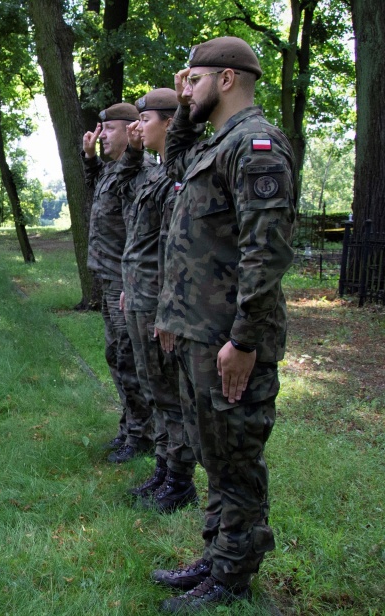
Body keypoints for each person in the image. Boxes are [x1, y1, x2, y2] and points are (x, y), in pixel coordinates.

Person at [152, 37, 296, 612]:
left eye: (195, 78)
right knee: (214, 456)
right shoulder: (217, 145)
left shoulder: (258, 147)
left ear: (228, 79)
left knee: (236, 463)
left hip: (229, 341)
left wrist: (244, 340)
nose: (184, 87)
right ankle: (215, 559)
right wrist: (187, 106)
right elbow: (174, 162)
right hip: (198, 335)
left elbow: (267, 255)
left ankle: (233, 577)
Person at [115, 88, 198, 512]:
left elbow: (172, 250)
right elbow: (137, 234)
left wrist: (167, 309)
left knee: (168, 391)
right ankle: (164, 469)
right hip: (142, 294)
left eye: (145, 120)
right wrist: (131, 285)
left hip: (160, 302)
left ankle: (179, 478)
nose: (137, 127)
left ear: (169, 122)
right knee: (153, 387)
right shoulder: (153, 173)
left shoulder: (177, 178)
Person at [83, 102, 154, 464]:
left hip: (125, 282)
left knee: (129, 360)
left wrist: (132, 281)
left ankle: (142, 435)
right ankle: (130, 426)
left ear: (130, 131)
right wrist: (91, 157)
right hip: (111, 281)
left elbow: (139, 233)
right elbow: (95, 186)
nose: (102, 135)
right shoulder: (112, 171)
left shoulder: (137, 171)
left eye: (108, 129)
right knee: (117, 356)